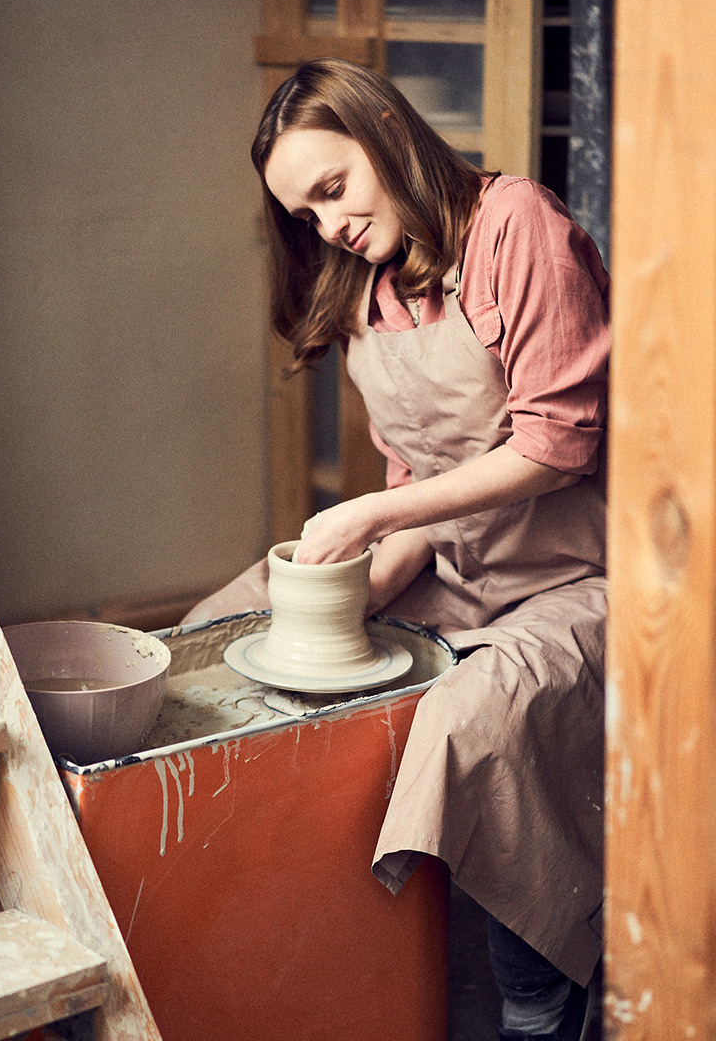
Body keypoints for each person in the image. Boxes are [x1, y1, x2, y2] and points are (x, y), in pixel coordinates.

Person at [183, 58, 609, 1041]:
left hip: (584, 576)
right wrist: (355, 584)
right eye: (306, 215)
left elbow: (559, 444)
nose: (327, 227)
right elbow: (414, 479)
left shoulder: (517, 229)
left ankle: (540, 1003)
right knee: (220, 635)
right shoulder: (365, 285)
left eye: (332, 190)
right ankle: (272, 948)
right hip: (458, 567)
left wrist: (372, 521)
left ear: (384, 127)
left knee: (475, 723)